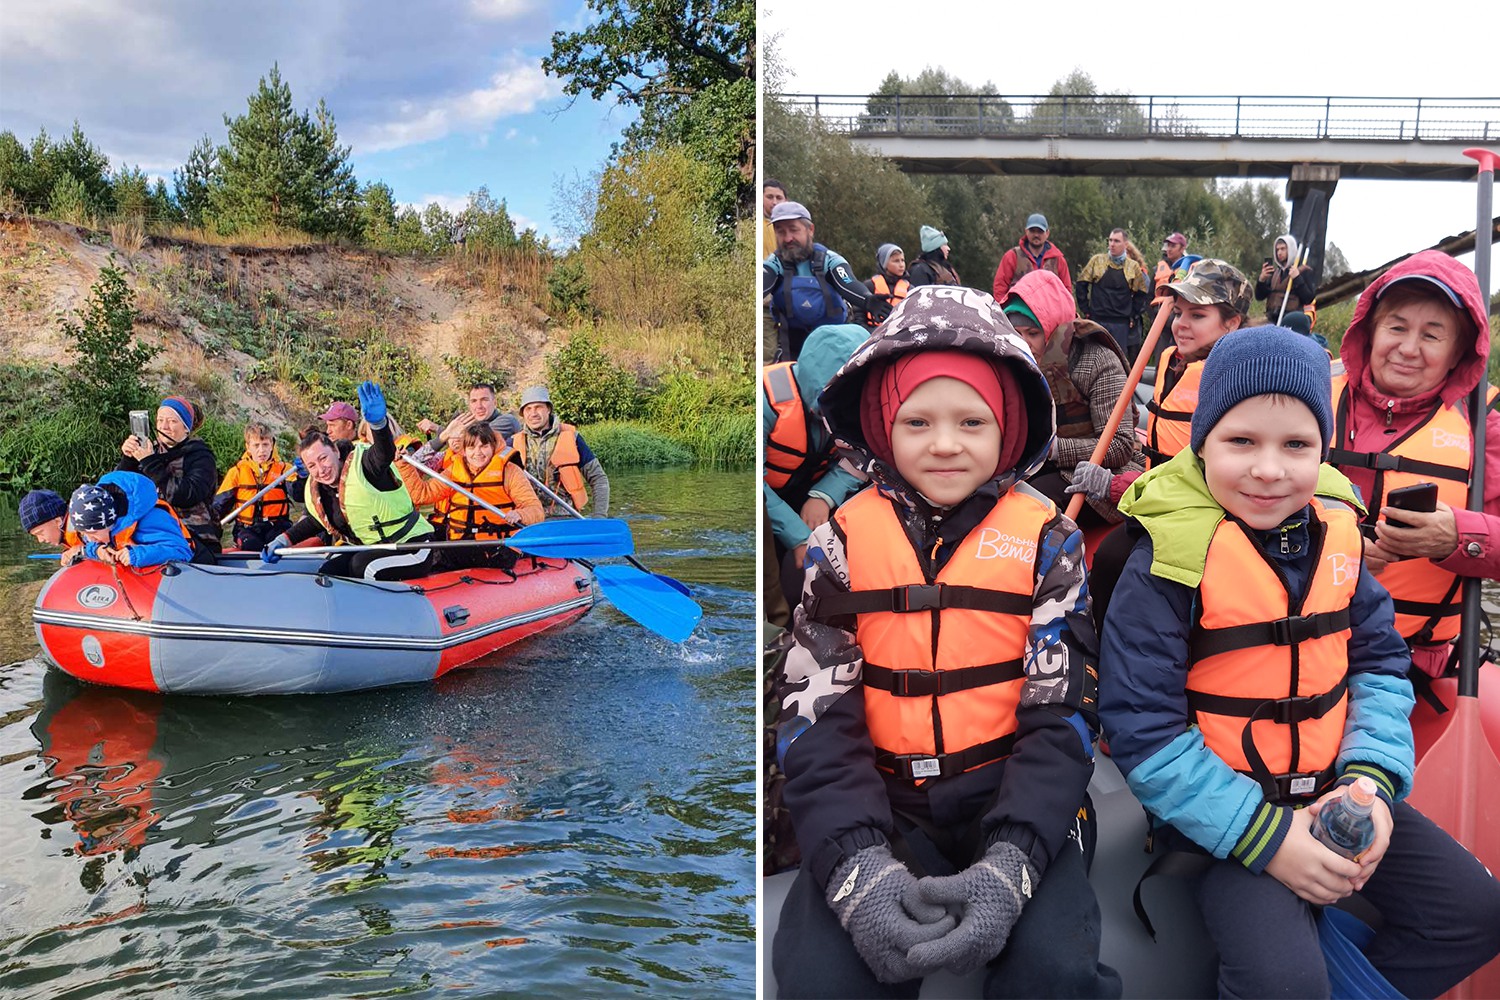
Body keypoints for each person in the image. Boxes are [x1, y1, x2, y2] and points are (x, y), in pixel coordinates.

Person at [1097, 325, 1500, 998]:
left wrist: (1370, 782)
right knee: (1283, 980)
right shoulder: (1164, 563)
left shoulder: (1337, 533)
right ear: (1202, 444)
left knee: (1474, 913)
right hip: (1224, 818)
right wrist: (1270, 839)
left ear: (1323, 448)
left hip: (1338, 789)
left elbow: (1378, 665)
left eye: (1296, 445)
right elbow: (1144, 731)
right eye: (1241, 442)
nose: (1269, 469)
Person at [771, 286, 1121, 997]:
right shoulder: (836, 548)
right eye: (917, 421)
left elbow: (1063, 717)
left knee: (1053, 968)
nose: (945, 443)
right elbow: (814, 721)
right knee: (818, 978)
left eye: (972, 420)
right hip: (885, 805)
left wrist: (1014, 859)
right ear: (880, 424)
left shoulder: (1051, 542)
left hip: (1015, 802)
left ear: (1011, 427)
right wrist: (856, 864)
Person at [1326, 250, 1500, 685]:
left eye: (1432, 335)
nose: (1407, 348)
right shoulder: (1308, 392)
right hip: (1296, 645)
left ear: (1459, 350)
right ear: (1370, 331)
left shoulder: (1486, 425)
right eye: (1397, 327)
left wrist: (1461, 536)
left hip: (1408, 664)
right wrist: (1330, 546)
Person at [1067, 259, 1252, 627]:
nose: (1180, 325)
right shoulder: (1172, 361)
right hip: (1160, 501)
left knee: (1113, 559)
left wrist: (1114, 485)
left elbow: (1196, 480)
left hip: (1205, 516)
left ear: (1231, 323)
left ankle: (1110, 648)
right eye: (1178, 312)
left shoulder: (1234, 378)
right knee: (1102, 557)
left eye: (1197, 316)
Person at [1002, 270, 1141, 528]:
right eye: (1015, 332)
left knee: (1028, 505)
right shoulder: (1011, 364)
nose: (1023, 342)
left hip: (1095, 474)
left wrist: (1051, 450)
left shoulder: (1097, 360)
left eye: (1032, 333)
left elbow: (1120, 446)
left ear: (1053, 330)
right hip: (1034, 466)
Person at [262, 381, 440, 581]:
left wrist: (378, 425)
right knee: (328, 573)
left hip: (411, 546)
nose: (321, 470)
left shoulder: (364, 464)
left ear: (336, 452)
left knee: (362, 568)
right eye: (312, 465)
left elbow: (384, 454)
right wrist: (282, 540)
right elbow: (314, 521)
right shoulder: (319, 488)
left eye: (323, 459)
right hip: (371, 548)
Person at [762, 323, 867, 621]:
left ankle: (836, 610)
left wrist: (824, 496)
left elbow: (860, 457)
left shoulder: (856, 404)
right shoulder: (767, 400)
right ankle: (775, 629)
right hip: (769, 499)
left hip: (815, 492)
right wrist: (795, 535)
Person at [398, 421, 544, 570]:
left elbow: (536, 510)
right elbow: (422, 495)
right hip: (462, 543)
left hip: (498, 547)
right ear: (464, 450)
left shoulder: (510, 471)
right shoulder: (454, 470)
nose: (478, 453)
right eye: (472, 447)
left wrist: (520, 514)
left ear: (493, 447)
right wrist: (404, 466)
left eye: (484, 446)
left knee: (440, 557)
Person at [763, 201, 875, 361]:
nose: (788, 238)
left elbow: (848, 283)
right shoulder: (774, 263)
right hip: (792, 349)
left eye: (794, 230)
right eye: (780, 232)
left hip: (834, 345)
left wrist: (868, 299)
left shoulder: (829, 260)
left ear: (810, 230)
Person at [117, 396, 221, 558]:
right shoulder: (150, 450)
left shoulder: (201, 457)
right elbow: (119, 492)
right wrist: (128, 458)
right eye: (160, 421)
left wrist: (149, 462)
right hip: (152, 531)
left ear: (186, 428)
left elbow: (187, 495)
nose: (164, 427)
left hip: (193, 534)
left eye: (172, 421)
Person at [512, 385, 610, 516]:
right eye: (528, 409)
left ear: (548, 409)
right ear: (523, 414)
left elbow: (598, 478)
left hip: (567, 516)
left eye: (538, 407)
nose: (533, 413)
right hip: (530, 520)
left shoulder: (572, 438)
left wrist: (600, 515)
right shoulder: (512, 443)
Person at [68, 472, 195, 569]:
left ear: (109, 522)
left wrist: (137, 555)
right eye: (85, 534)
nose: (90, 539)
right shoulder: (100, 530)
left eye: (93, 534)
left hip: (189, 571)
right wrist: (96, 550)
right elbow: (90, 543)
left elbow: (182, 552)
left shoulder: (151, 520)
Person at [212, 422, 299, 552]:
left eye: (265, 445)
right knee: (251, 545)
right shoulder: (237, 472)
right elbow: (219, 506)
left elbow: (298, 494)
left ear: (272, 445)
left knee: (277, 544)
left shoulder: (284, 470)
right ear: (248, 447)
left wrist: (302, 478)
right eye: (256, 445)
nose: (261, 450)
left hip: (277, 526)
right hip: (247, 528)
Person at [1075, 229, 1151, 361]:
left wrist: (1133, 314)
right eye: (1110, 240)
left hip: (1120, 324)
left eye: (1116, 241)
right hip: (1097, 320)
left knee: (1118, 361)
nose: (1112, 244)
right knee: (1093, 358)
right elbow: (1081, 284)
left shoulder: (1133, 267)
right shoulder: (1097, 261)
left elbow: (1142, 293)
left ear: (1125, 244)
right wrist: (1085, 310)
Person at [416, 382, 522, 455]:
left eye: (484, 400)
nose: (479, 406)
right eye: (474, 401)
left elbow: (474, 440)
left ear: (495, 403)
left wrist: (438, 428)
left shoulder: (507, 421)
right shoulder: (470, 422)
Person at [992, 213, 1071, 301]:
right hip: (1019, 310)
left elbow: (1066, 291)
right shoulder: (1012, 256)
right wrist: (1003, 310)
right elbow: (1000, 287)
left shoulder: (1058, 259)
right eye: (1032, 231)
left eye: (1040, 231)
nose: (1036, 235)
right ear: (1026, 232)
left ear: (1047, 233)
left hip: (1050, 312)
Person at [1256, 234, 1318, 328]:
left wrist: (1297, 278)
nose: (1279, 252)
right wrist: (1261, 280)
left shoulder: (1303, 271)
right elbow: (1259, 296)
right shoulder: (1274, 273)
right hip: (1272, 319)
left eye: (1283, 249)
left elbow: (1308, 298)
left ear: (1291, 249)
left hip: (1291, 323)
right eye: (1277, 250)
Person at [20, 489, 81, 563]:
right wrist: (69, 551)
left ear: (58, 521)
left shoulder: (83, 525)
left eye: (40, 533)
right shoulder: (68, 531)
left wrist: (82, 550)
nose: (40, 540)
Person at [863, 244, 909, 328]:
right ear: (884, 263)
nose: (901, 264)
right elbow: (859, 313)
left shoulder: (910, 288)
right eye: (896, 261)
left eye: (902, 260)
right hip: (871, 332)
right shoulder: (870, 285)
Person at [1152, 232, 1201, 298]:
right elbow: (1149, 296)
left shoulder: (1190, 269)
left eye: (1173, 246)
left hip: (1178, 306)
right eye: (1168, 245)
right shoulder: (1158, 268)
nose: (1169, 249)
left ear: (1182, 249)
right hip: (1158, 306)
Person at [763, 178, 788, 259]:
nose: (774, 202)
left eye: (779, 198)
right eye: (769, 197)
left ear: (786, 201)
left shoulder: (791, 229)